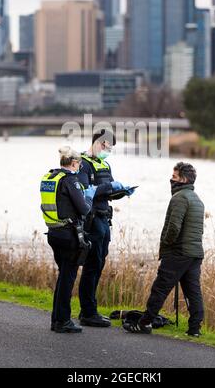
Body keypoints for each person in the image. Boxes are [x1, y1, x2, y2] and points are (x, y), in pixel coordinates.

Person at [128, 162, 205, 337]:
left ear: (183, 179)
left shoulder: (179, 198)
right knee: (193, 291)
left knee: (160, 288)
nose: (171, 179)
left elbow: (174, 227)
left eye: (174, 176)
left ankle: (144, 323)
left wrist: (167, 245)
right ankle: (195, 329)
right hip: (195, 253)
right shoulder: (197, 199)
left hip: (178, 252)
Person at [77, 129, 134, 327]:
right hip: (92, 221)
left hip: (104, 218)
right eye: (106, 147)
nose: (108, 151)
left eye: (110, 148)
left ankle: (90, 309)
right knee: (92, 265)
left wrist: (120, 190)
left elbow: (106, 191)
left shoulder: (104, 164)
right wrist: (109, 188)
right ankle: (88, 312)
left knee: (99, 264)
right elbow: (86, 193)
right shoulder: (83, 164)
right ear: (97, 143)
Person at [40, 146, 96, 334]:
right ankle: (63, 320)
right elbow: (84, 209)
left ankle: (57, 319)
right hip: (68, 234)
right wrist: (89, 197)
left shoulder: (50, 177)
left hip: (53, 233)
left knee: (63, 275)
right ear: (73, 163)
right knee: (68, 277)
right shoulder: (70, 180)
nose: (80, 166)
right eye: (79, 163)